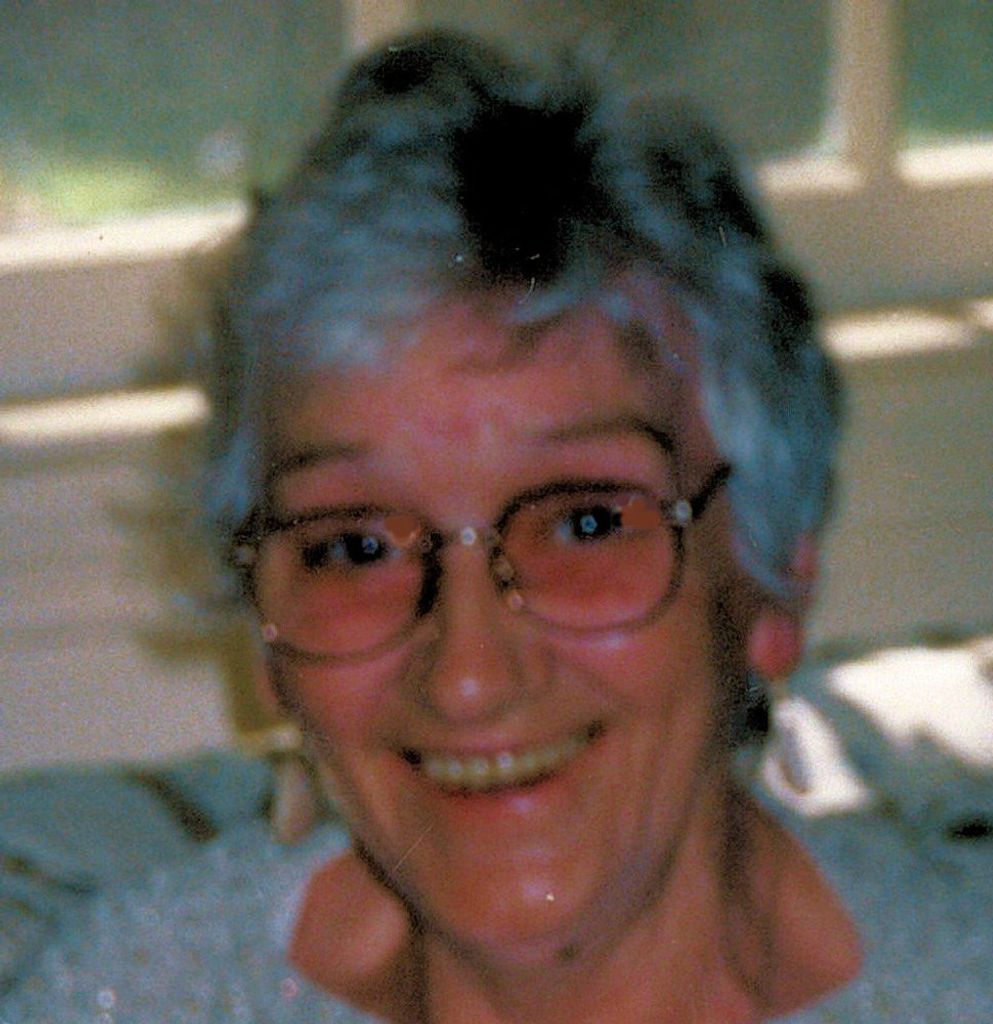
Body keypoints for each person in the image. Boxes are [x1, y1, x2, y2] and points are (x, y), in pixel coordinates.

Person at [2, 28, 903, 1023]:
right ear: (267, 639)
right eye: (354, 547)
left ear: (773, 577)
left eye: (585, 525)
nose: (467, 677)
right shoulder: (134, 998)